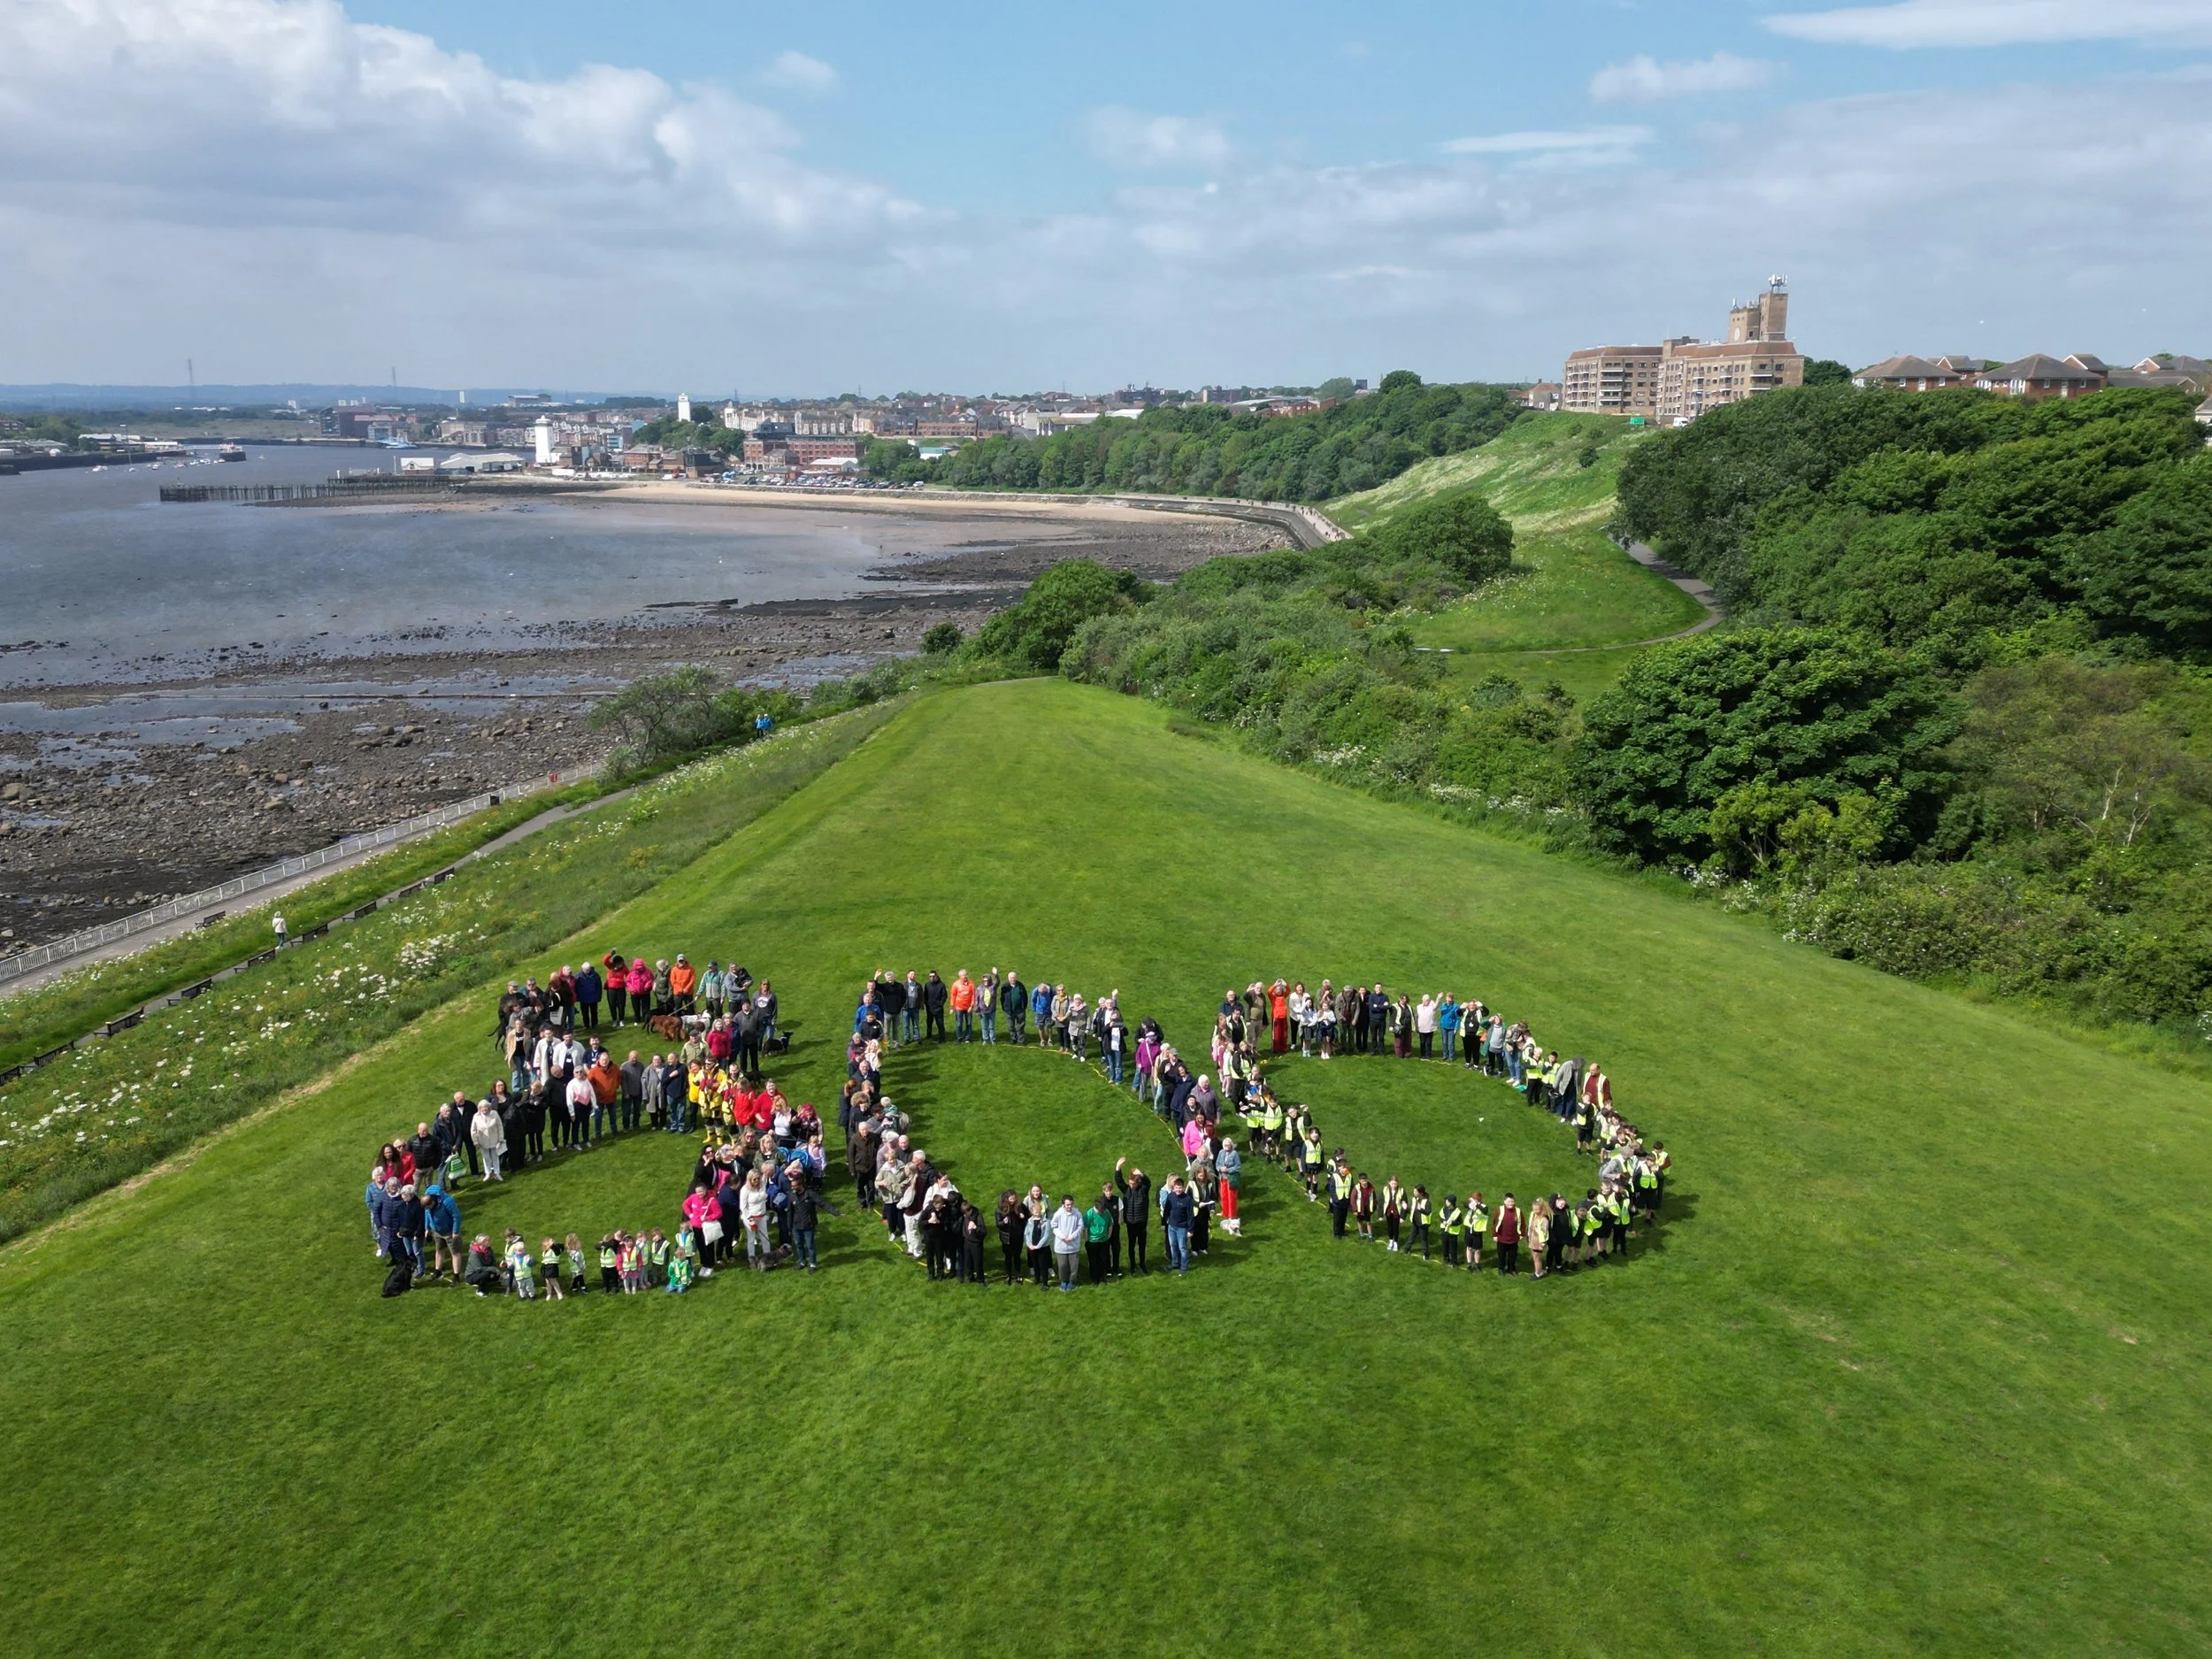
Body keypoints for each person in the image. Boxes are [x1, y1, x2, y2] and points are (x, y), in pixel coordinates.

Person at [1114, 1159, 1152, 1272]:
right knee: (1131, 1245)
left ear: (1138, 1182)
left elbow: (1148, 1183)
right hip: (1130, 1223)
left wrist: (1141, 1174)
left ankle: (1142, 1264)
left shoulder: (1143, 1190)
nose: (1131, 1186)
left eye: (1133, 1184)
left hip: (1141, 1222)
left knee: (1142, 1245)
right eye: (1130, 1183)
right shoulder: (1127, 1190)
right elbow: (1119, 1181)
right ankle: (1132, 1266)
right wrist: (1118, 1168)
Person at [1160, 1175, 1194, 1275]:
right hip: (1171, 1226)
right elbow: (1166, 1211)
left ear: (1183, 1188)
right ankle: (1175, 1263)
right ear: (1173, 1187)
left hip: (1182, 1228)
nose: (1178, 1190)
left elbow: (1190, 1215)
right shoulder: (1170, 1196)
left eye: (1180, 1188)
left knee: (1182, 1248)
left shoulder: (1187, 1199)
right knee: (1173, 1245)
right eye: (1176, 1188)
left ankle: (1184, 1266)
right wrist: (1163, 1223)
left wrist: (1190, 1230)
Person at [1049, 1195, 1084, 1291]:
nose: (1070, 1206)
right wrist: (1062, 1236)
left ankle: (1072, 1281)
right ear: (1063, 1204)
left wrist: (1072, 1236)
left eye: (1071, 1204)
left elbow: (1080, 1227)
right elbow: (1053, 1226)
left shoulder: (1077, 1214)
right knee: (1062, 1266)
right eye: (1068, 1205)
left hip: (1073, 1245)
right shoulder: (1058, 1214)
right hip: (1061, 1246)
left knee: (1073, 1266)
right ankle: (1063, 1281)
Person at [1215, 1139, 1241, 1237]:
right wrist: (1220, 1168)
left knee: (1232, 1198)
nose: (1227, 1147)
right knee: (1223, 1196)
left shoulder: (1235, 1154)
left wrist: (1228, 1170)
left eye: (1228, 1145)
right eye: (1225, 1145)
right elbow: (1217, 1164)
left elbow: (1238, 1166)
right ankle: (1225, 1213)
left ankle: (1232, 1215)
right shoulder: (1221, 1152)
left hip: (1231, 1179)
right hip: (1223, 1178)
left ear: (1231, 1145)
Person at [1024, 1200, 1052, 1288]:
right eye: (1035, 1210)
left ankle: (1045, 1283)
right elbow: (1026, 1233)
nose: (1037, 1211)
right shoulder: (1029, 1221)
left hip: (1042, 1248)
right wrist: (1029, 1244)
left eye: (1038, 1210)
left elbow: (1046, 1235)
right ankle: (1037, 1278)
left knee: (1043, 1265)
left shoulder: (1046, 1221)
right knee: (1035, 1264)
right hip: (1032, 1247)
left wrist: (1038, 1246)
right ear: (1032, 1211)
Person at [1494, 1194, 1521, 1277]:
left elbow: (1522, 1223)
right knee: (1501, 1255)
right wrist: (1495, 1235)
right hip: (1502, 1238)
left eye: (1512, 1201)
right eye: (1509, 1201)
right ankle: (1501, 1269)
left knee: (1513, 1255)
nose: (1510, 1203)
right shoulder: (1499, 1210)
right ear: (1504, 1202)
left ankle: (1511, 1269)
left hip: (1514, 1238)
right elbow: (1495, 1223)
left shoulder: (1518, 1211)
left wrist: (1522, 1234)